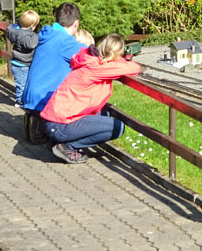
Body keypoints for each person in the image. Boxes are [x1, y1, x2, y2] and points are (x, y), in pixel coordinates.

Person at [40, 33, 141, 164]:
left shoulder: (90, 59)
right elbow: (134, 67)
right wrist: (121, 60)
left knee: (105, 113)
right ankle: (67, 147)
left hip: (53, 121)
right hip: (59, 125)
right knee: (117, 127)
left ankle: (58, 140)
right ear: (117, 54)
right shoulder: (97, 68)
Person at [21, 2, 83, 113]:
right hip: (43, 101)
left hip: (30, 98)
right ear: (76, 23)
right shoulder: (65, 42)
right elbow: (93, 56)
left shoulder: (47, 34)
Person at [6, 10, 40, 107]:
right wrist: (36, 37)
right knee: (22, 84)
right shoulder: (28, 36)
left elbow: (10, 28)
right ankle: (19, 101)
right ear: (32, 26)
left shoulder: (15, 31)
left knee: (21, 83)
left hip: (16, 62)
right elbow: (30, 45)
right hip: (23, 64)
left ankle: (21, 98)